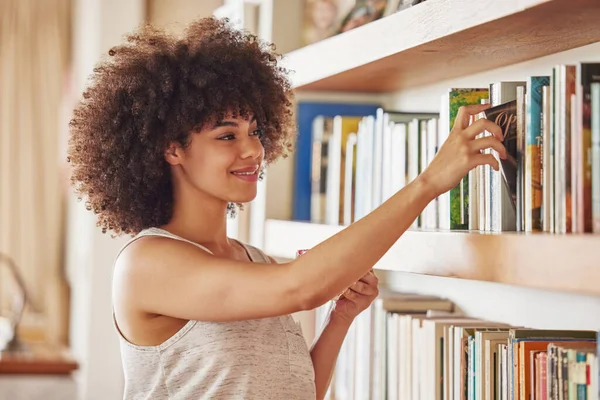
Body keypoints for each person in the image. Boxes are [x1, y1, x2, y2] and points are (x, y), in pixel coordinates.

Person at [67, 16, 506, 400]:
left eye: (254, 130)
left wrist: (340, 319)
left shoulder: (252, 260)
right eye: (227, 136)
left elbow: (298, 390)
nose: (253, 150)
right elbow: (300, 287)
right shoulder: (147, 263)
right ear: (171, 149)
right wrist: (429, 183)